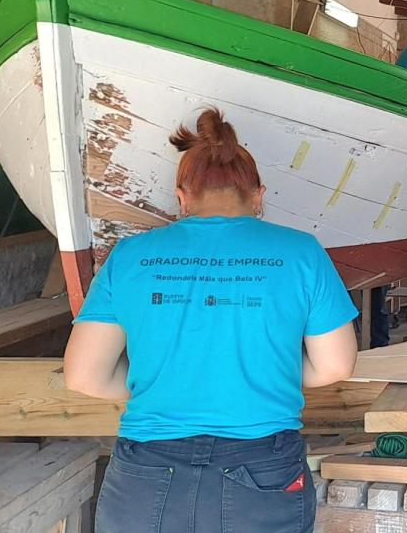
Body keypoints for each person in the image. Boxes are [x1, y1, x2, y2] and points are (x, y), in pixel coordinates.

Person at [63, 108, 358, 533]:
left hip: (147, 467)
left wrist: (165, 381)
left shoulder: (129, 256)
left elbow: (83, 375)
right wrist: (259, 372)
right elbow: (335, 365)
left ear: (181, 197)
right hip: (261, 468)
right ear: (258, 195)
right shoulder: (301, 252)